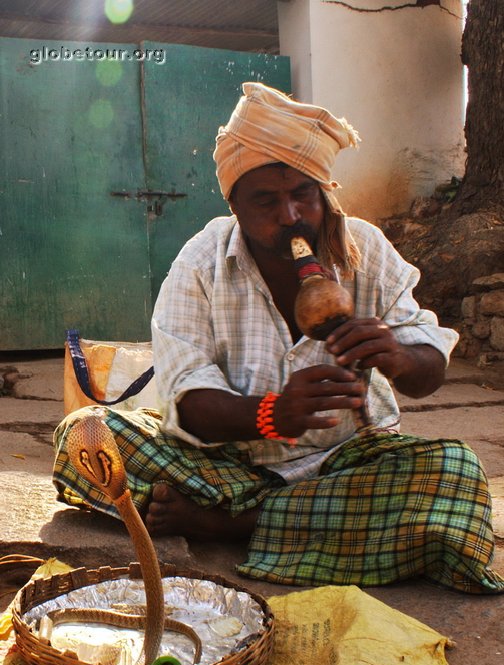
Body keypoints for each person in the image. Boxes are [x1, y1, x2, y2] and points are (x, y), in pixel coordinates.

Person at [53, 82, 503, 593]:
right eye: (266, 200)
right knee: (85, 435)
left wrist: (399, 355)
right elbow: (185, 399)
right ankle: (300, 526)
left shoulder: (367, 249)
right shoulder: (202, 261)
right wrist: (271, 415)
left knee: (454, 473)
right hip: (229, 463)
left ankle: (231, 525)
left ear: (322, 192)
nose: (290, 215)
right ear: (235, 206)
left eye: (302, 195)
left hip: (349, 467)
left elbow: (429, 373)